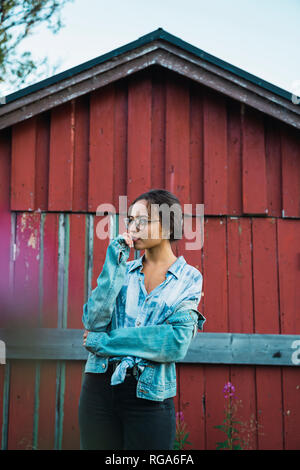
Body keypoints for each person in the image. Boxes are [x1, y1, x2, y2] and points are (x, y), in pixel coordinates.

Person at [78, 188, 205, 450]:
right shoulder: (123, 270)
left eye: (143, 221)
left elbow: (174, 343)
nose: (133, 227)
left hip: (149, 394)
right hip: (98, 387)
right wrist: (113, 265)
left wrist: (105, 343)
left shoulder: (190, 279)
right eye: (130, 220)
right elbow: (93, 323)